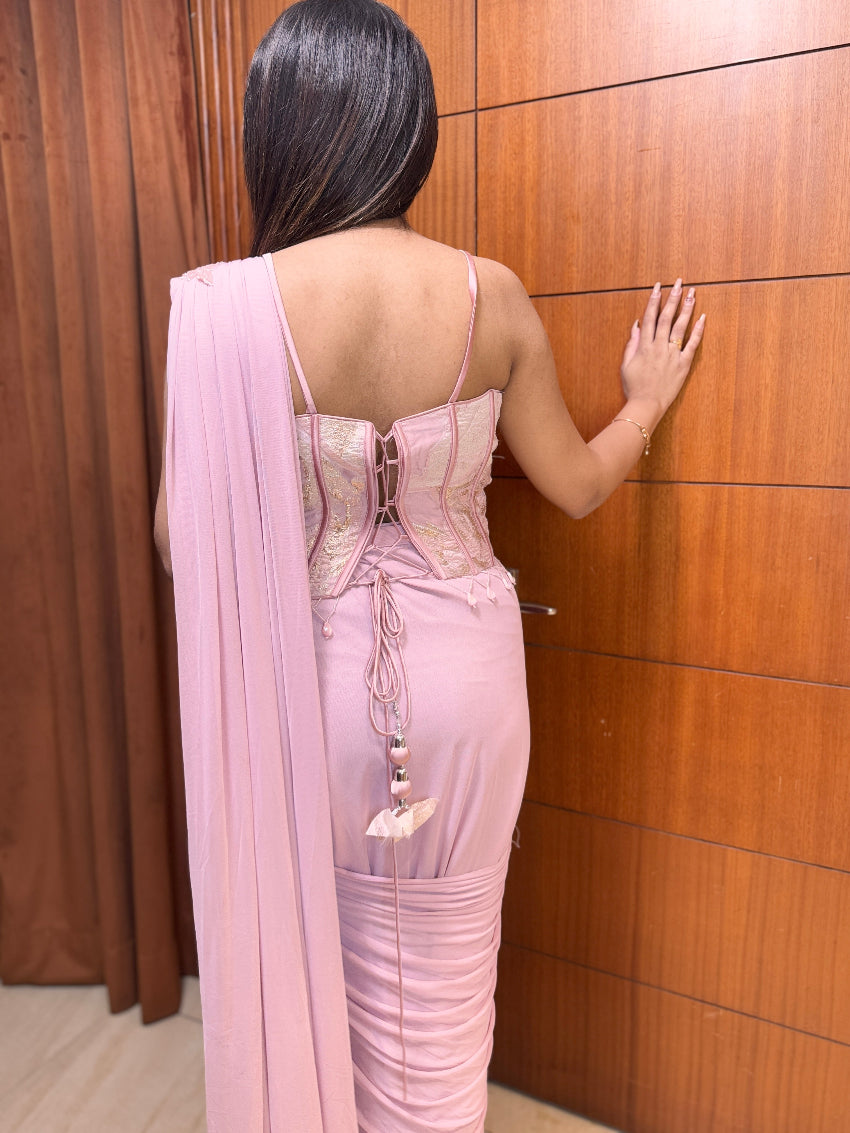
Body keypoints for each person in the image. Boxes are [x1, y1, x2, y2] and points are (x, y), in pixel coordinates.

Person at [153, 1, 704, 1130]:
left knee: (313, 959)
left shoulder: (225, 309)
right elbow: (580, 486)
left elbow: (178, 541)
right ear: (411, 131)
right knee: (449, 975)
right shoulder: (485, 293)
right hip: (467, 687)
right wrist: (644, 402)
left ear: (278, 132)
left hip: (305, 692)